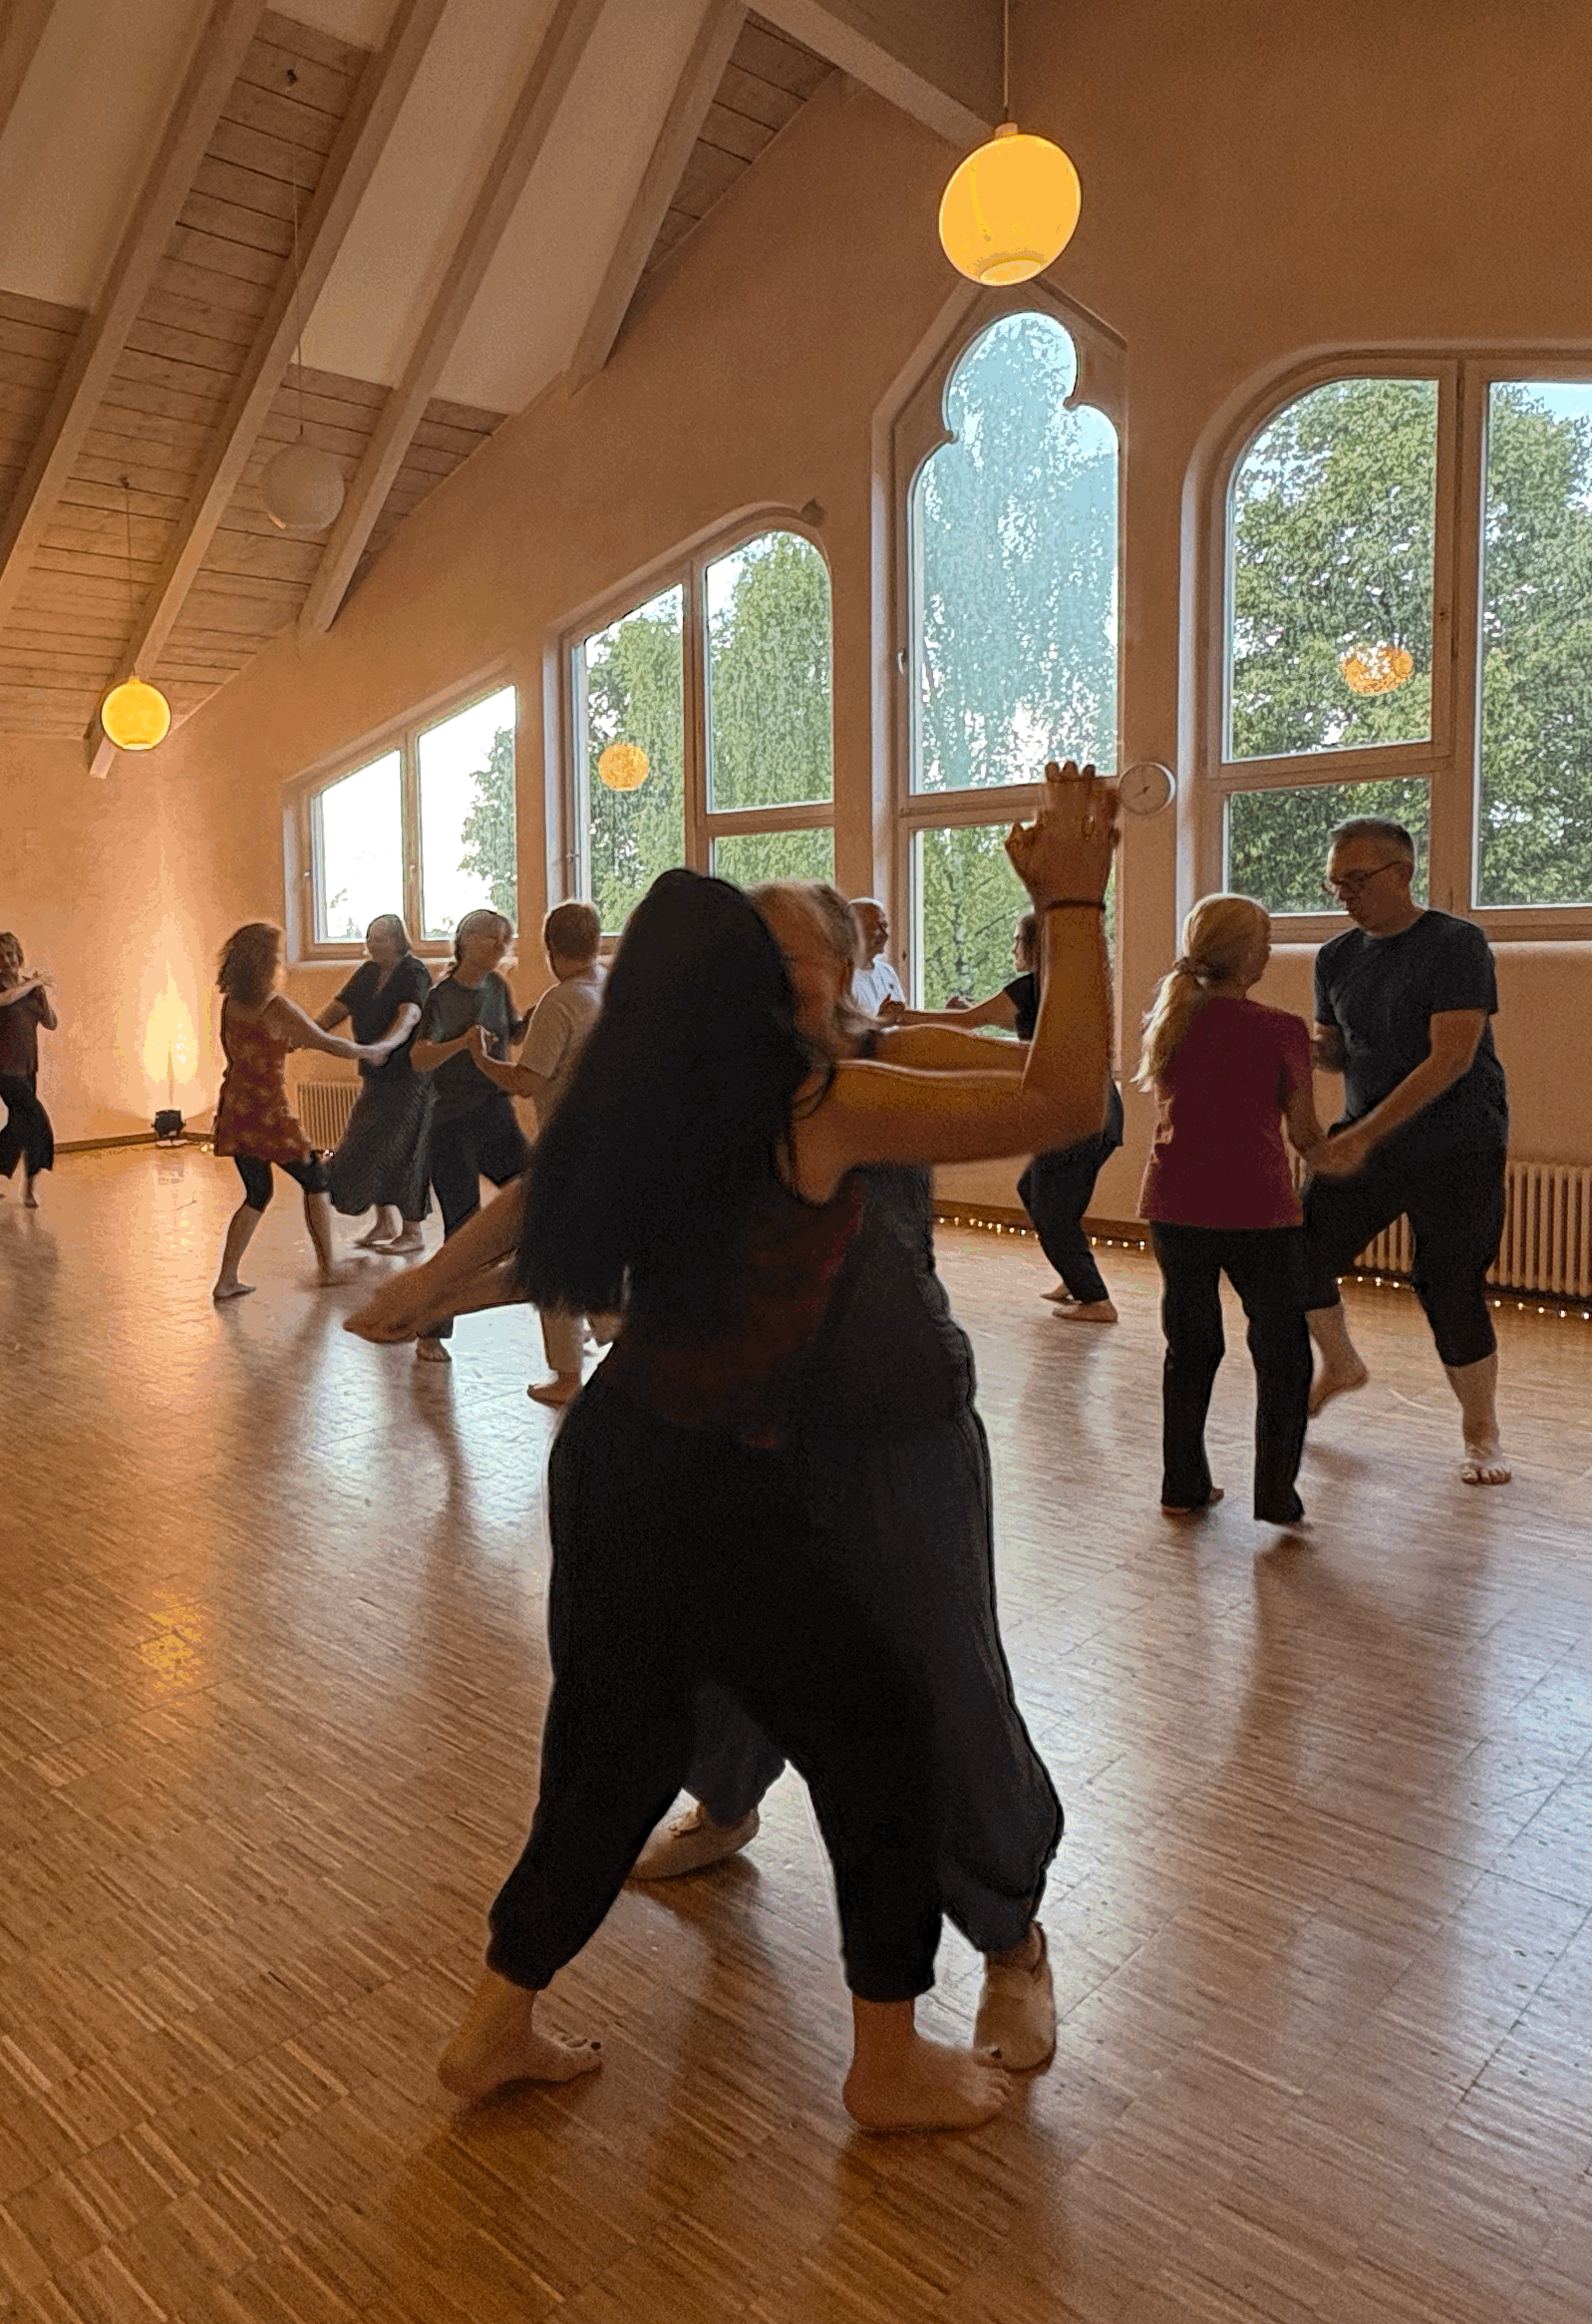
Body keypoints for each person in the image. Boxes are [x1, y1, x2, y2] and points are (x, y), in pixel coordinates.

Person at [358, 768, 1124, 2131]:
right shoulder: (775, 1101)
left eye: (803, 954)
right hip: (721, 1473)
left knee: (655, 1740)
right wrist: (1073, 897)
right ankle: (878, 2053)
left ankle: (500, 2030)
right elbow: (1067, 1103)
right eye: (760, 960)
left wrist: (427, 1287)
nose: (786, 983)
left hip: (689, 1457)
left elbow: (1063, 1089)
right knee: (847, 1730)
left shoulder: (775, 1085)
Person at [1295, 818, 1514, 1484]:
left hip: (1459, 1145)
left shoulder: (1456, 944)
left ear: (1403, 872)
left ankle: (1482, 1431)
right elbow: (1334, 1052)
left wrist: (1361, 1133)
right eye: (1337, 883)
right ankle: (1341, 1364)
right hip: (1367, 1138)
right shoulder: (1334, 957)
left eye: (1357, 880)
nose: (1346, 895)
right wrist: (1265, 1044)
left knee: (1447, 1286)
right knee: (1296, 1259)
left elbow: (1451, 1057)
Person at [1133, 895, 1324, 1525]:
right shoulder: (1282, 1029)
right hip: (1257, 1211)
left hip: (1174, 1205)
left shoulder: (1172, 1021)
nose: (1270, 951)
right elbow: (1305, 1135)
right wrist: (1361, 1148)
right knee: (1283, 1354)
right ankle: (1276, 1494)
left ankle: (1182, 1486)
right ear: (1249, 954)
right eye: (1266, 940)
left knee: (1190, 1349)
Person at [935, 910, 1125, 1325]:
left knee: (1052, 1209)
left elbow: (968, 1022)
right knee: (1039, 1193)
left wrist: (901, 1018)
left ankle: (1097, 1299)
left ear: (1035, 946)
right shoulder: (1064, 989)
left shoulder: (1031, 987)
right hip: (1100, 1112)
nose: (1011, 950)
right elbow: (1017, 1033)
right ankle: (1076, 1279)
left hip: (1077, 1116)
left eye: (1016, 941)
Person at [207, 922, 381, 1303]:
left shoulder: (231, 1005)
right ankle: (328, 1267)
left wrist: (280, 1045)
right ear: (266, 962)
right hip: (268, 1113)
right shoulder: (275, 1005)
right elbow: (325, 1042)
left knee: (257, 1192)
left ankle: (227, 1278)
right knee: (315, 1179)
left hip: (236, 1106)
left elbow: (246, 1049)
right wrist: (370, 1052)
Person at [478, 902, 606, 1402]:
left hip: (566, 1147)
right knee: (595, 1249)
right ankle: (606, 1330)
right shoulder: (610, 989)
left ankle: (568, 1374)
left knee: (554, 1260)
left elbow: (527, 1081)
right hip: (608, 1140)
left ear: (551, 949)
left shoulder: (561, 1001)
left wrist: (481, 1059)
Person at [403, 910, 525, 1369]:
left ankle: (574, 1302)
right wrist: (461, 1044)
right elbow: (418, 1059)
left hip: (496, 1114)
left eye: (505, 939)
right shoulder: (440, 997)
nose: (500, 947)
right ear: (466, 941)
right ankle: (430, 1326)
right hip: (452, 1124)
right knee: (463, 1229)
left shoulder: (498, 986)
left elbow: (512, 1032)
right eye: (492, 938)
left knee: (537, 1193)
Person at [323, 915, 433, 1252]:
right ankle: (384, 1222)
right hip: (376, 1079)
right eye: (370, 938)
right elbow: (337, 1010)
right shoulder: (368, 973)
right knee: (364, 1145)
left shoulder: (413, 971)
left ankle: (412, 1232)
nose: (373, 944)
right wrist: (305, 1034)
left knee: (403, 1150)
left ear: (398, 940)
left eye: (381, 938)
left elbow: (409, 1016)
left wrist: (385, 1046)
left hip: (410, 1080)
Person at [0, 931, 59, 1210]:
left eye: (11, 954)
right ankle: (28, 1186)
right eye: (1, 956)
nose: (7, 960)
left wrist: (41, 992)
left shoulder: (33, 988)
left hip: (28, 1065)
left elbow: (51, 1023)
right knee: (36, 1120)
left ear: (19, 954)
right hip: (2, 1066)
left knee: (21, 1123)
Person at [844, 894, 904, 1030]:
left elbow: (901, 1020)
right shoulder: (841, 978)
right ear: (853, 930)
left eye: (885, 927)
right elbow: (847, 1036)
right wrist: (882, 1020)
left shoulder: (886, 971)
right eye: (877, 928)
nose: (886, 935)